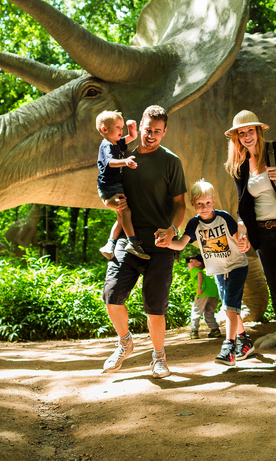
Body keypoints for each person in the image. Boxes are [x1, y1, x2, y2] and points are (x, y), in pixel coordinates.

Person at [101, 105, 187, 378]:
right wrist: (109, 202)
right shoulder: (122, 156)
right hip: (129, 241)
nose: (151, 136)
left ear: (165, 132)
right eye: (148, 130)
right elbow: (105, 187)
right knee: (112, 297)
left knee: (155, 307)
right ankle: (125, 342)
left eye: (158, 132)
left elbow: (181, 204)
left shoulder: (171, 161)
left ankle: (159, 357)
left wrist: (172, 230)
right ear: (140, 126)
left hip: (160, 245)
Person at [224, 110, 276, 372]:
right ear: (237, 137)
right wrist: (242, 229)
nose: (247, 136)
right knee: (275, 290)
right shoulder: (239, 167)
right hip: (263, 235)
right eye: (242, 132)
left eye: (250, 130)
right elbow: (242, 206)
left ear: (258, 131)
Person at [157, 179, 254, 366]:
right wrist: (166, 242)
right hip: (217, 270)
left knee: (229, 305)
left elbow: (239, 239)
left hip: (236, 265)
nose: (204, 207)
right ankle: (244, 339)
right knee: (229, 306)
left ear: (214, 201)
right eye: (199, 203)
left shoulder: (224, 218)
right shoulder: (194, 224)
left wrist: (244, 243)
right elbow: (181, 244)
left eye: (208, 203)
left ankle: (229, 347)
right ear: (193, 204)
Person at [95, 110, 149, 260]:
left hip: (115, 184)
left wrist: (132, 129)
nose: (121, 130)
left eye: (121, 127)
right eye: (118, 127)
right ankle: (132, 242)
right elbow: (110, 162)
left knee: (121, 217)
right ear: (105, 129)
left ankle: (109, 245)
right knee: (125, 212)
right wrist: (125, 162)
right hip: (109, 186)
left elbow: (132, 137)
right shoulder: (107, 145)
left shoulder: (117, 143)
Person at [185, 256, 221, 339]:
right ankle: (215, 330)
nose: (188, 263)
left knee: (196, 310)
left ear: (198, 264)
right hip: (214, 293)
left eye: (191, 261)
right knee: (209, 312)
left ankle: (194, 331)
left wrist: (199, 288)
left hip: (204, 292)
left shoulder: (195, 270)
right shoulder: (204, 273)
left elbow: (199, 274)